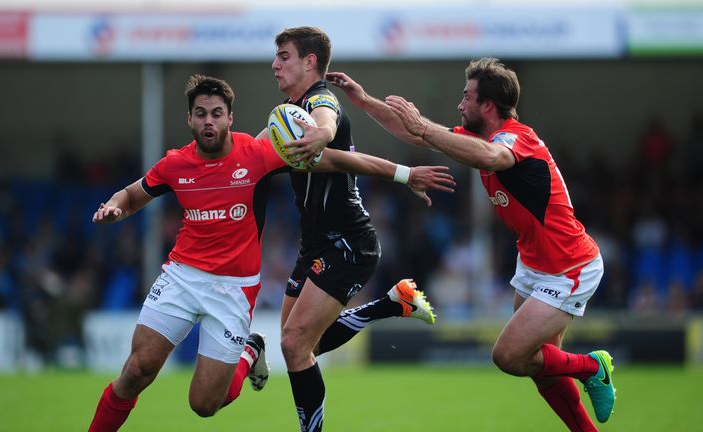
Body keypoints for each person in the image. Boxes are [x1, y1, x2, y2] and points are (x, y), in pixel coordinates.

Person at [87, 74, 456, 431]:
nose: (209, 121)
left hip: (233, 289)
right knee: (136, 370)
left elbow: (338, 159)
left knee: (204, 405)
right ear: (189, 119)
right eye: (201, 113)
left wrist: (406, 174)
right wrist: (115, 207)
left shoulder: (259, 153)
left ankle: (250, 352)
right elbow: (133, 194)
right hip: (181, 276)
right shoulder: (175, 163)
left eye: (217, 113)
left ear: (230, 117)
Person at [327, 58, 616, 431]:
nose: (460, 105)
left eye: (467, 97)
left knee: (510, 356)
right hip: (534, 264)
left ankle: (594, 366)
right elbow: (416, 134)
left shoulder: (514, 138)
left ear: (488, 106)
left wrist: (425, 128)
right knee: (543, 365)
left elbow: (493, 158)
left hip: (570, 266)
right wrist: (363, 99)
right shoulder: (480, 140)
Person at [261, 26, 445, 432]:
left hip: (348, 243)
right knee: (300, 345)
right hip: (314, 245)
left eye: (284, 56)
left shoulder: (319, 100)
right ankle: (392, 304)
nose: (275, 65)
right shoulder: (288, 113)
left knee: (294, 344)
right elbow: (253, 153)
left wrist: (322, 135)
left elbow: (327, 120)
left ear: (310, 62)